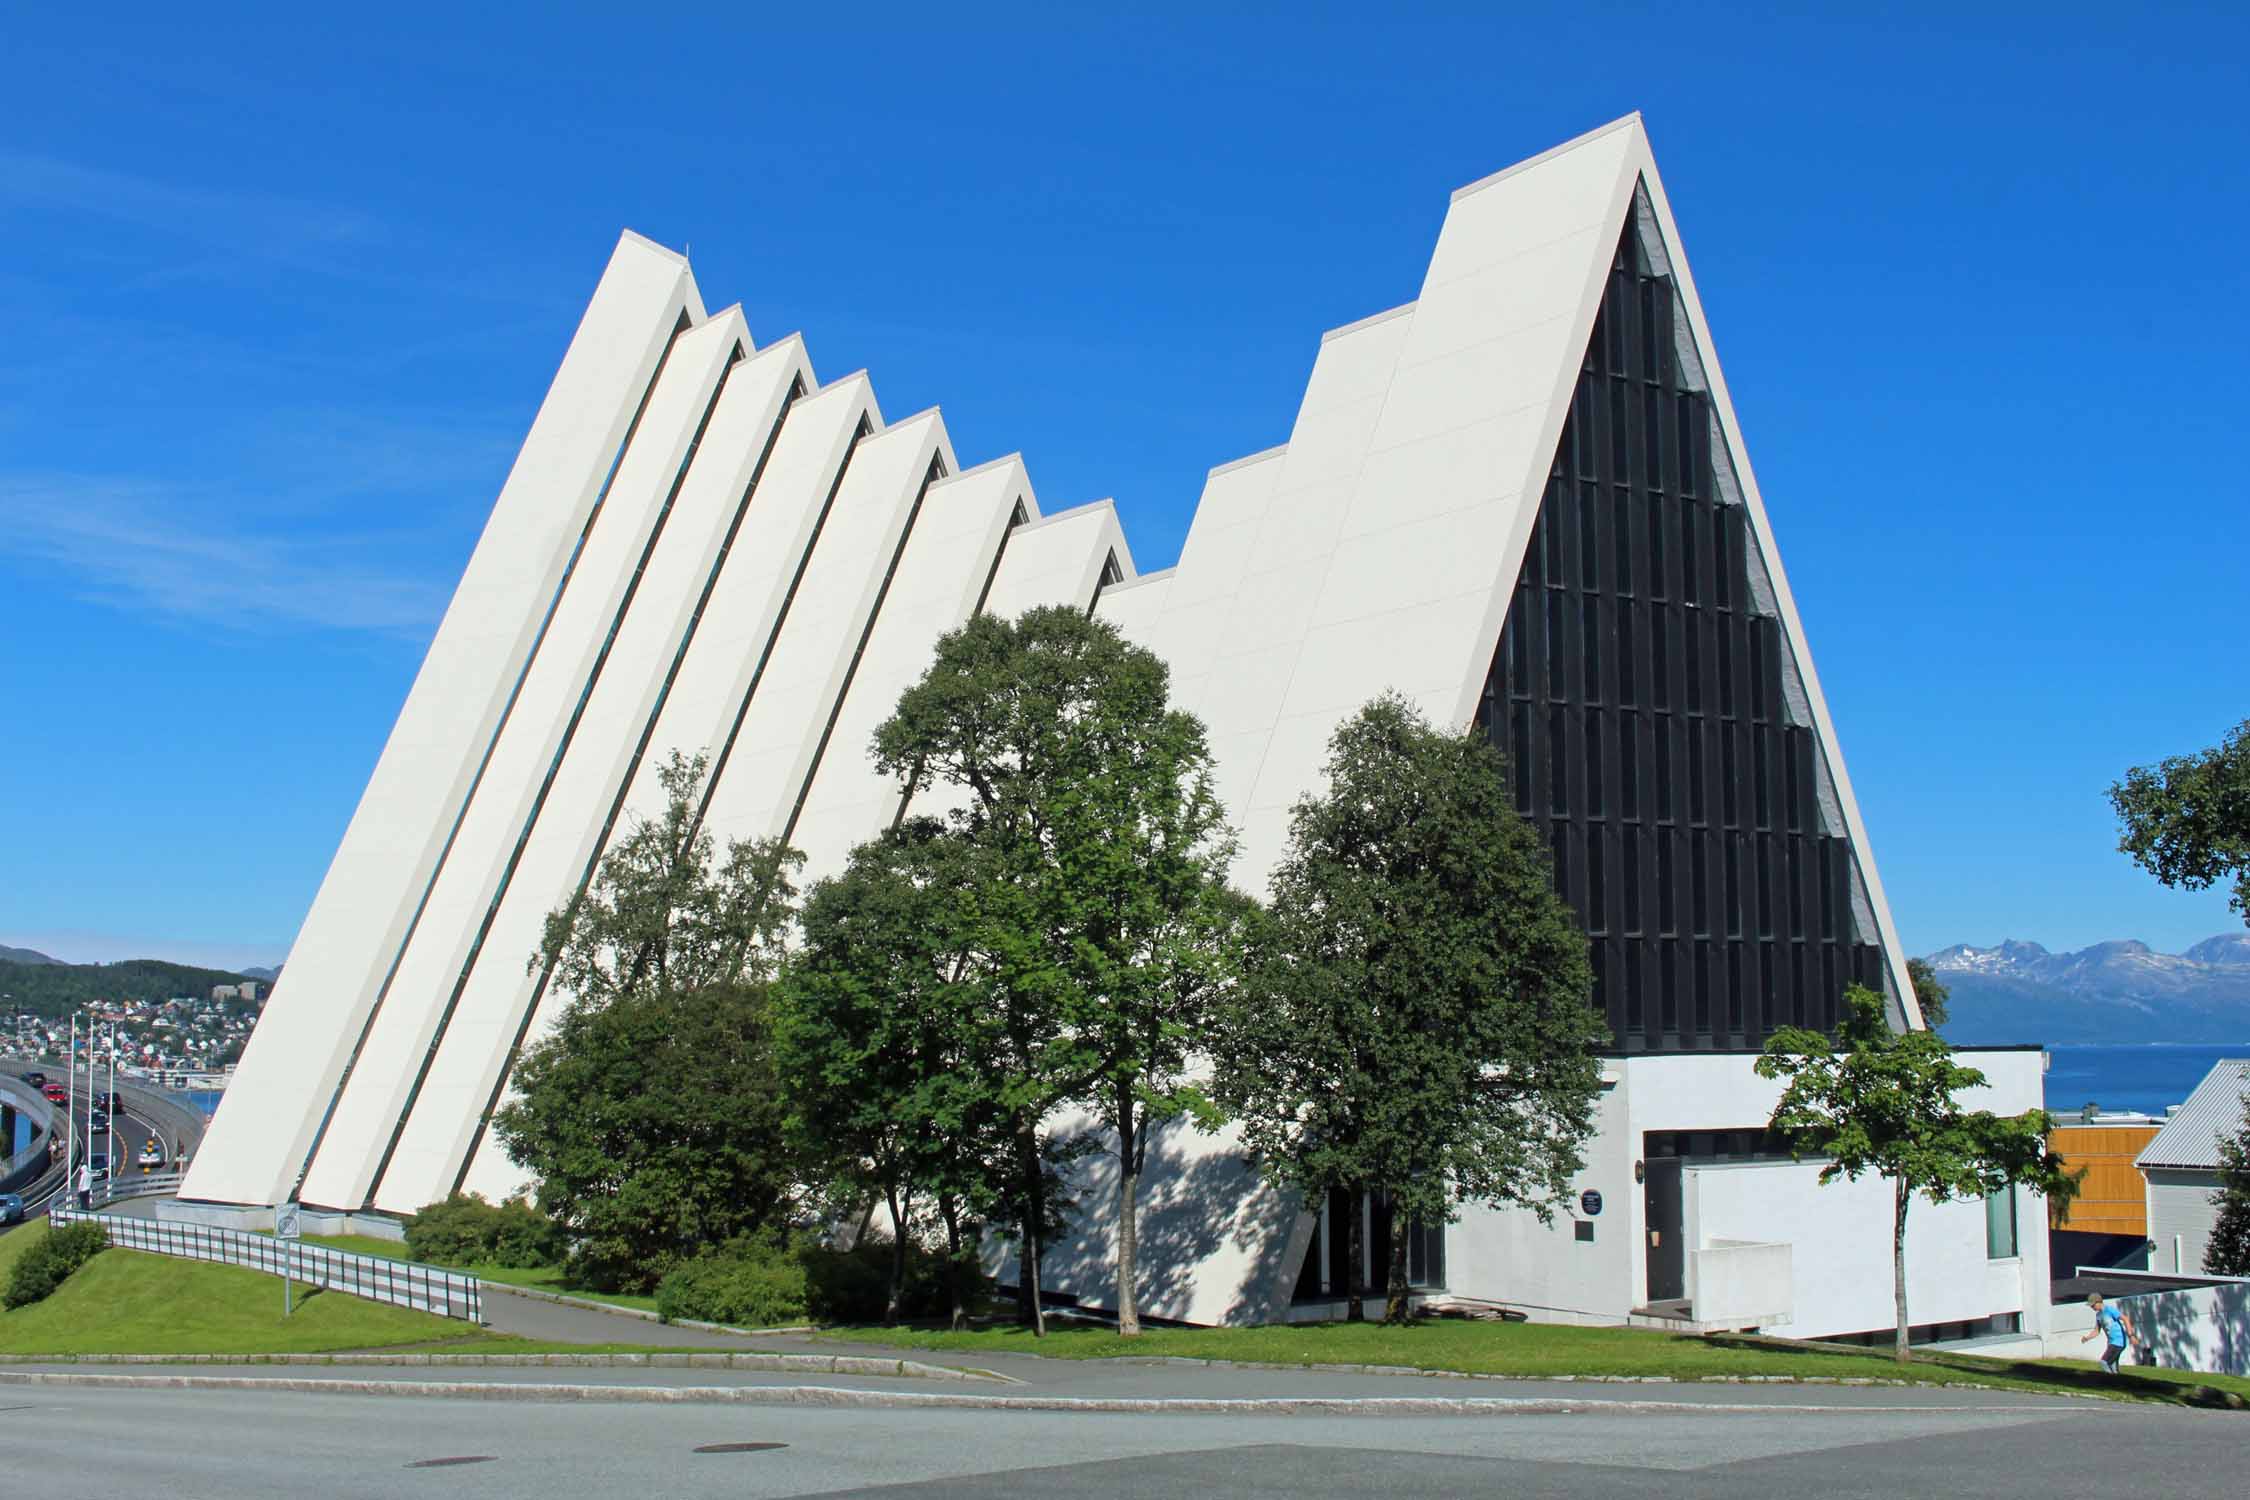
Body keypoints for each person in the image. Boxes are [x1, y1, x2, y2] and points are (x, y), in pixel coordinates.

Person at [2081, 1292, 2139, 1373]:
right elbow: (2096, 1331)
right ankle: (2116, 1382)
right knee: (2113, 1366)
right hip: (2111, 1343)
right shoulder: (2098, 1315)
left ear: (2099, 1302)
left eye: (2093, 1305)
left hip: (2118, 1342)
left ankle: (2109, 1380)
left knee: (2104, 1362)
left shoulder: (2110, 1310)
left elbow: (2125, 1319)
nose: (2091, 1307)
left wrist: (2131, 1336)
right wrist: (2087, 1338)